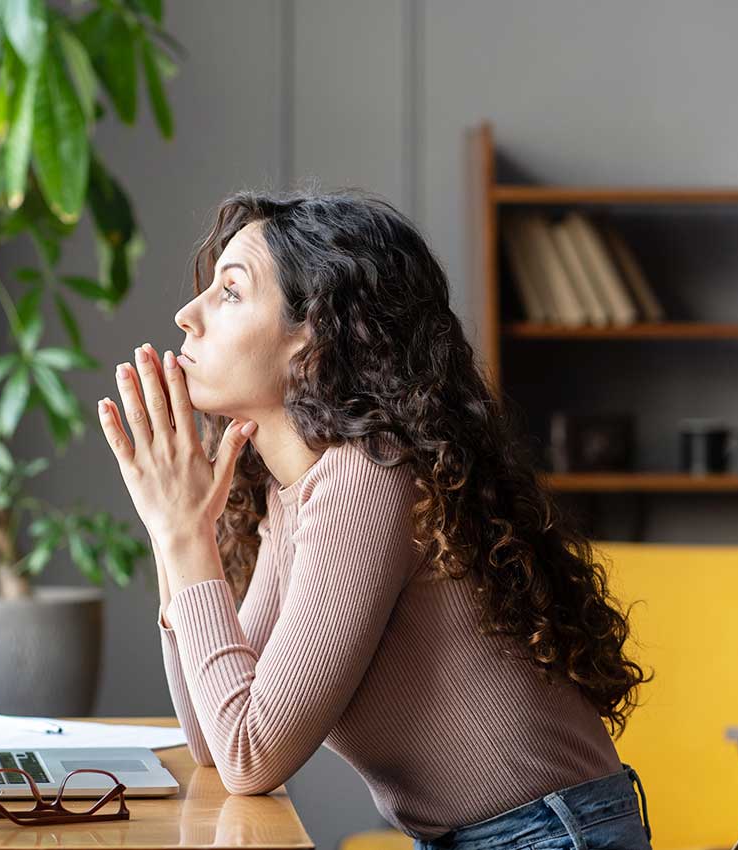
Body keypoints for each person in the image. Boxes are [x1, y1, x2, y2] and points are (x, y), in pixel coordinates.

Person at [96, 186, 653, 849]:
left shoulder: (371, 476)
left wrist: (187, 535)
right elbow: (213, 739)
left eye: (232, 291)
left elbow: (251, 754)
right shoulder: (297, 492)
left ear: (315, 338)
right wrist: (172, 532)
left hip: (549, 838)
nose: (189, 314)